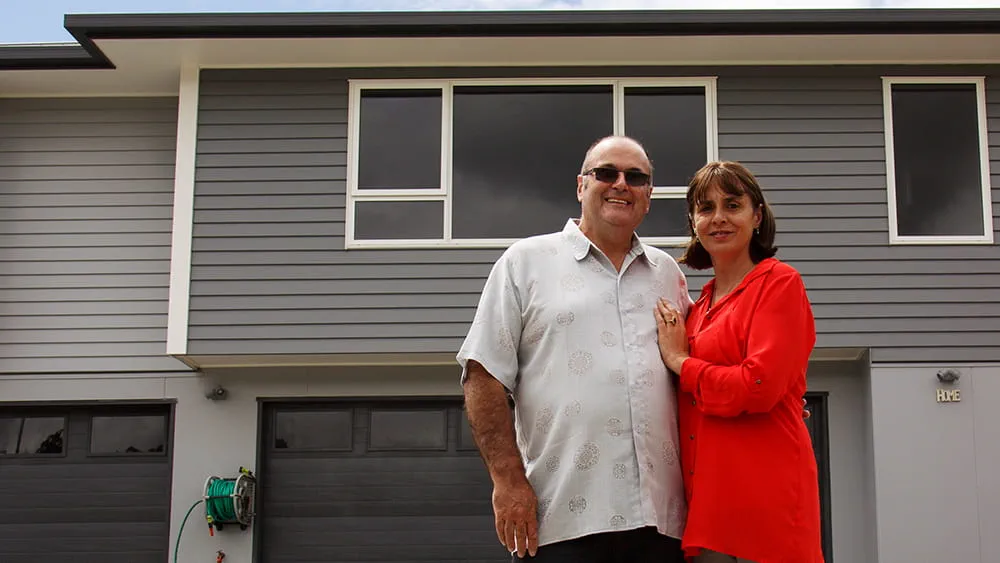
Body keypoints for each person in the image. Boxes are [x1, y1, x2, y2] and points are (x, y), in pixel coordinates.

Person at [457, 136, 693, 562]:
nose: (621, 184)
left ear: (649, 196)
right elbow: (482, 375)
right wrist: (508, 480)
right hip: (561, 521)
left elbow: (700, 366)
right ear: (581, 185)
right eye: (607, 173)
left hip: (663, 524)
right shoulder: (524, 263)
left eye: (636, 177)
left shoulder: (668, 275)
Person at [654, 161, 824, 563]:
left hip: (765, 504)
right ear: (693, 221)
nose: (719, 218)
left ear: (756, 216)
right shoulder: (697, 309)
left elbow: (757, 388)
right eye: (706, 207)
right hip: (708, 508)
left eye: (732, 205)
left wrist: (681, 360)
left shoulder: (779, 283)